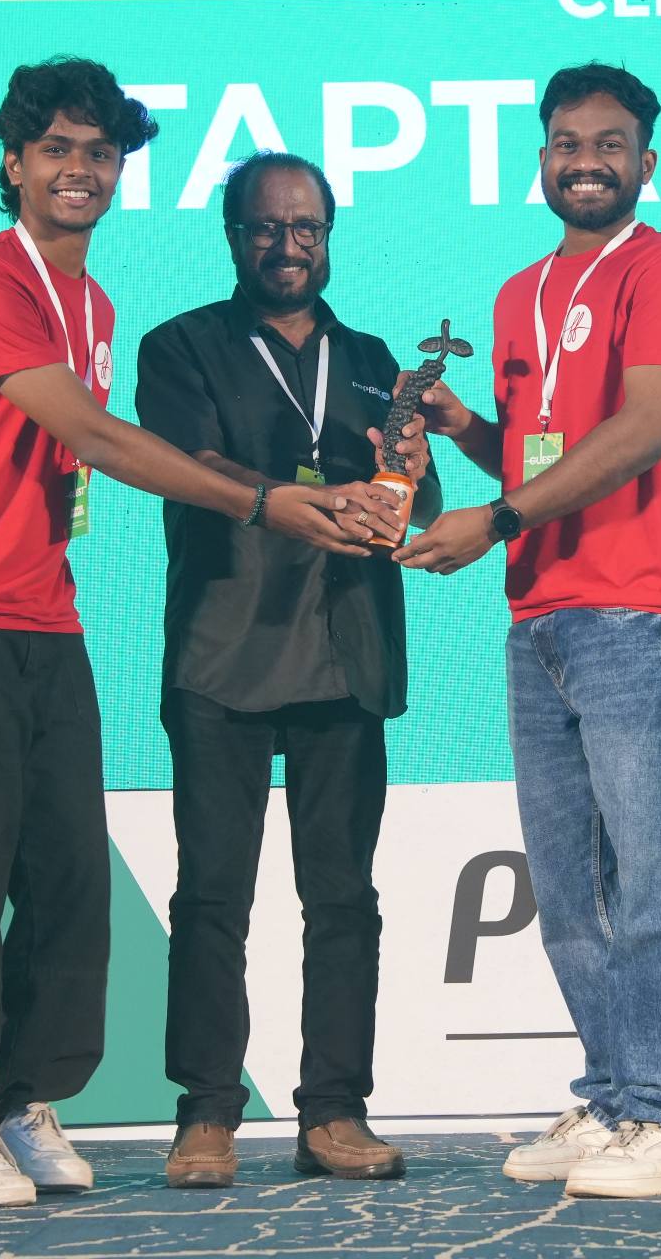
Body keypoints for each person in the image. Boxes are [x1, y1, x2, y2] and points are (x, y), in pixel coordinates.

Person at [0, 60, 367, 1209]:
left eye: (99, 153)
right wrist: (262, 500)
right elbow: (92, 438)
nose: (79, 171)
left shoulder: (90, 305)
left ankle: (24, 1101)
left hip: (46, 618)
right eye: (56, 149)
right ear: (13, 163)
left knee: (68, 882)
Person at [399, 63, 661, 1198]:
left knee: (652, 877)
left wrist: (492, 520)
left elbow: (641, 431)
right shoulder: (516, 294)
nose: (587, 160)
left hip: (640, 606)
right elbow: (542, 453)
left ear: (648, 161)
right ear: (541, 159)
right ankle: (615, 1097)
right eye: (567, 143)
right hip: (539, 612)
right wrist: (465, 430)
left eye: (610, 142)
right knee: (570, 893)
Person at [136, 152, 439, 1189]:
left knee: (344, 898)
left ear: (329, 236)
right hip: (223, 649)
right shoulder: (178, 347)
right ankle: (206, 1115)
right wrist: (291, 497)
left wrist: (414, 477)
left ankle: (335, 1113)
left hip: (347, 653)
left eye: (306, 227)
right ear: (233, 234)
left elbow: (421, 507)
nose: (287, 245)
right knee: (212, 897)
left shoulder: (376, 361)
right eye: (266, 227)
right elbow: (191, 466)